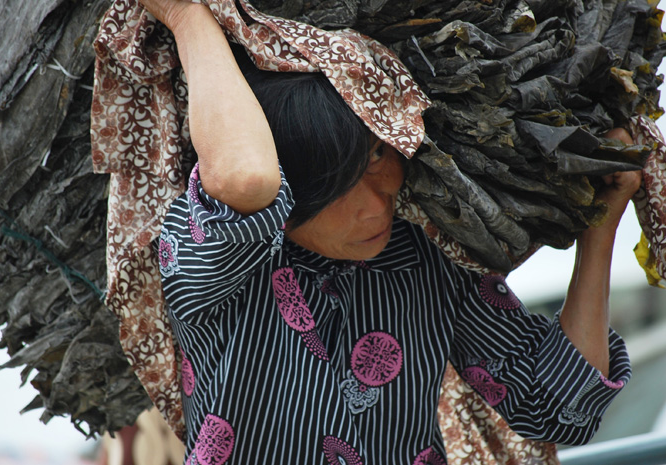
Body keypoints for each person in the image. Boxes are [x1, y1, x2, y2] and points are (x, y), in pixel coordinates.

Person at [143, 0, 640, 463]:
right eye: (336, 184)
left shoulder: (427, 258)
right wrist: (187, 16)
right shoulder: (213, 257)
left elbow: (558, 408)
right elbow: (244, 180)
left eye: (378, 157)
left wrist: (601, 226)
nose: (374, 206)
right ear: (288, 182)